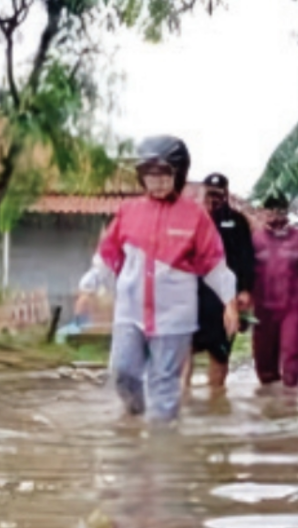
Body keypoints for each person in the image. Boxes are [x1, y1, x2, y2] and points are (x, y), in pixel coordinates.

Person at [78, 136, 239, 422]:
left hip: (174, 316)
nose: (157, 181)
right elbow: (108, 254)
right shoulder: (129, 212)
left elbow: (214, 262)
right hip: (130, 310)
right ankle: (133, 418)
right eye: (150, 174)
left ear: (179, 175)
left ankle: (162, 451)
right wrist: (88, 288)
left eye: (164, 174)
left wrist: (230, 302)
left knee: (164, 387)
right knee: (123, 373)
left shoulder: (195, 217)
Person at [185, 173, 256, 390]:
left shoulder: (237, 221)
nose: (213, 199)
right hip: (191, 296)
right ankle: (183, 399)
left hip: (226, 300)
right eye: (210, 193)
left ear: (226, 194)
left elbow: (247, 258)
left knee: (220, 353)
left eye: (218, 194)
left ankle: (216, 401)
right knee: (185, 349)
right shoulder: (189, 218)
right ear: (202, 192)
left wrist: (245, 290)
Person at [252, 193, 298, 389]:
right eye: (270, 211)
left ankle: (290, 401)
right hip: (263, 306)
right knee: (264, 357)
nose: (275, 216)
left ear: (287, 213)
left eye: (280, 211)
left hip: (292, 305)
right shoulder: (255, 240)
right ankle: (269, 401)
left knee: (291, 352)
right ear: (263, 213)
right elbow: (246, 270)